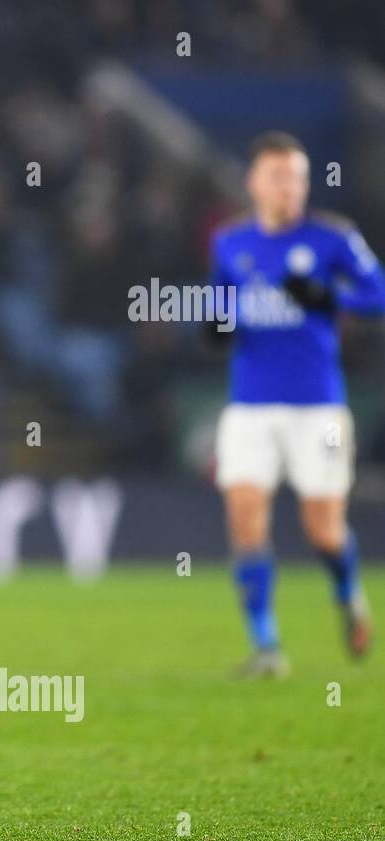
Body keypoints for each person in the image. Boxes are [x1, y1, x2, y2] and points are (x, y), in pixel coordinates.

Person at [210, 131, 385, 678]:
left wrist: (334, 299)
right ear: (254, 182)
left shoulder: (333, 239)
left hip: (318, 409)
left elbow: (379, 293)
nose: (290, 187)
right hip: (250, 405)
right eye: (278, 176)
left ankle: (348, 592)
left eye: (298, 177)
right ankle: (267, 646)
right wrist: (215, 326)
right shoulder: (230, 243)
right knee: (244, 517)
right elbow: (219, 307)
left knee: (323, 529)